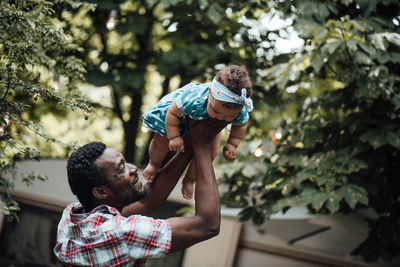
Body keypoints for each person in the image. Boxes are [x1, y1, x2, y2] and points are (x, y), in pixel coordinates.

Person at [53, 118, 227, 267]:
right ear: (100, 192)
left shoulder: (72, 216)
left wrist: (188, 144)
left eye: (125, 161)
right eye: (121, 169)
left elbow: (147, 203)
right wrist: (202, 144)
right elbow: (207, 225)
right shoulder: (119, 233)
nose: (133, 168)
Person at [142, 65, 253, 199]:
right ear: (210, 92)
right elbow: (173, 112)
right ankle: (154, 164)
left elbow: (241, 125)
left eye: (229, 117)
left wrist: (232, 144)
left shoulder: (237, 110)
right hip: (177, 117)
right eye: (217, 111)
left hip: (210, 124)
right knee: (161, 141)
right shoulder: (193, 100)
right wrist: (174, 137)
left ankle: (189, 179)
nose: (221, 117)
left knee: (211, 153)